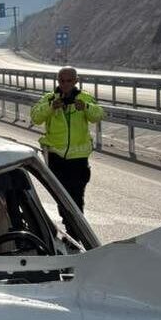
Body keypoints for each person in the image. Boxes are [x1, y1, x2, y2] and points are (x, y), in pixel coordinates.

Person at [30, 66, 104, 217]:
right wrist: (51, 107)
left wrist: (86, 107)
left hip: (78, 158)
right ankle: (69, 228)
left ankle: (75, 232)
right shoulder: (49, 98)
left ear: (76, 81)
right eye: (62, 81)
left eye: (69, 81)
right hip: (56, 156)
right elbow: (35, 118)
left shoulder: (84, 98)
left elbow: (98, 115)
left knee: (77, 199)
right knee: (61, 198)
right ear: (58, 81)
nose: (65, 84)